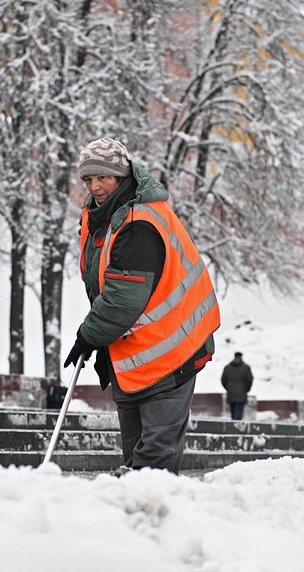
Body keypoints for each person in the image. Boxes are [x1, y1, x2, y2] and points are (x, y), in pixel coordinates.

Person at [64, 137, 220, 475]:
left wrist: (89, 335)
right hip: (135, 352)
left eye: (103, 178)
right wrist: (96, 335)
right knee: (135, 459)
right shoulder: (103, 218)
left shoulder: (138, 223)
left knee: (154, 463)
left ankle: (155, 517)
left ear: (121, 176)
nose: (95, 187)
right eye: (88, 179)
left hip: (172, 348)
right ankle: (134, 520)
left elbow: (124, 298)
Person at [221, 352, 253, 420]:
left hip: (231, 393)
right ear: (241, 357)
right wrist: (246, 389)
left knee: (233, 415)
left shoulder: (227, 367)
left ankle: (233, 428)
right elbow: (249, 380)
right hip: (241, 393)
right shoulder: (246, 367)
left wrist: (228, 388)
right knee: (238, 416)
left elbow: (223, 380)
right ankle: (235, 429)